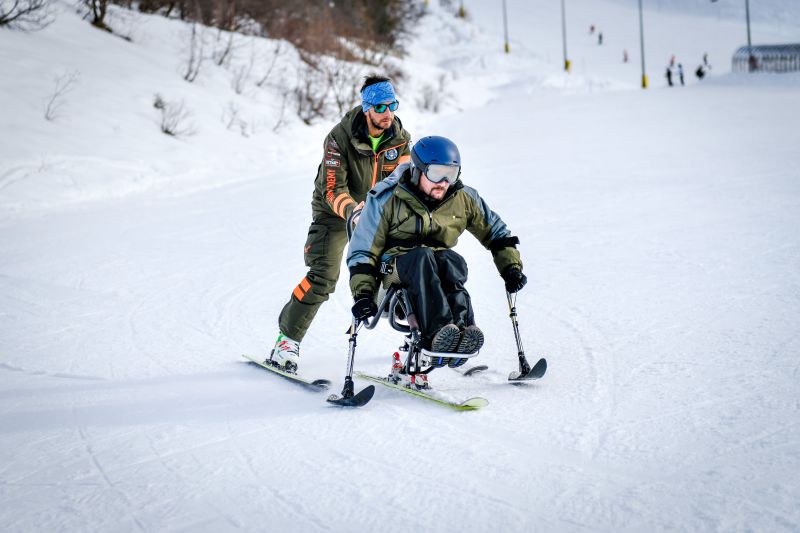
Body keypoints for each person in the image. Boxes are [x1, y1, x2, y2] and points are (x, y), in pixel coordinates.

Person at [269, 75, 412, 371]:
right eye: (382, 107)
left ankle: (413, 341)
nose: (388, 114)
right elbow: (332, 188)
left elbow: (404, 184)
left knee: (404, 270)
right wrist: (353, 212)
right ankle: (287, 341)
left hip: (377, 212)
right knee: (324, 274)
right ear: (367, 108)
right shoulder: (339, 138)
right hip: (334, 212)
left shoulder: (400, 140)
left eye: (393, 105)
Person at [347, 136, 526, 357]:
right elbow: (363, 249)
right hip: (391, 276)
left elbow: (496, 233)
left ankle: (461, 333)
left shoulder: (463, 198)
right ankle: (436, 334)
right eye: (435, 173)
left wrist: (511, 267)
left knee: (452, 260)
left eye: (450, 174)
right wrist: (363, 294)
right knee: (422, 256)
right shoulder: (386, 197)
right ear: (417, 170)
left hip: (436, 267)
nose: (443, 182)